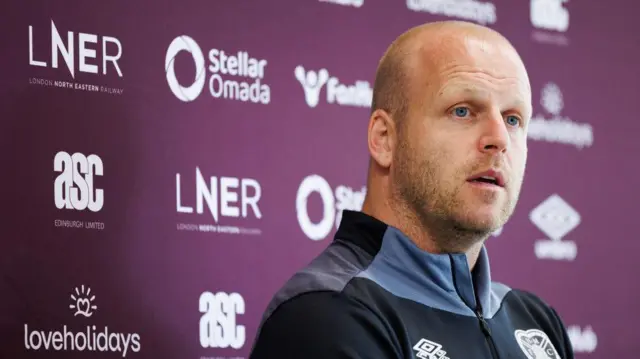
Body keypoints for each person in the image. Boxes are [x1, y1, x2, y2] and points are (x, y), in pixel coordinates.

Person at [249, 20, 574, 359]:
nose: (499, 139)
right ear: (384, 139)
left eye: (513, 119)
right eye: (462, 111)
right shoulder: (325, 314)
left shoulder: (537, 324)